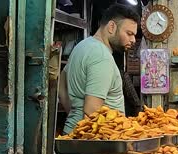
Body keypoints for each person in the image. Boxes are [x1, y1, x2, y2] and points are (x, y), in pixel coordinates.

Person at [58, 4, 139, 134]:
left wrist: (75, 116)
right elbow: (91, 111)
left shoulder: (82, 46)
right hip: (93, 144)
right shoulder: (102, 57)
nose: (133, 40)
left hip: (74, 132)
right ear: (111, 27)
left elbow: (61, 86)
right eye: (129, 33)